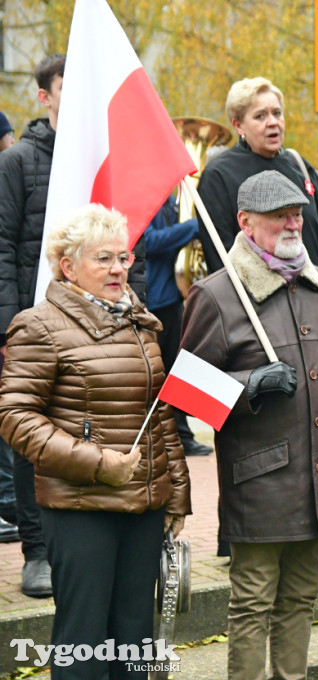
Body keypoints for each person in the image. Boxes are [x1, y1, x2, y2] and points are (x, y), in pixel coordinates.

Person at [180, 170, 318, 680]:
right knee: (253, 603)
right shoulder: (217, 294)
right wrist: (250, 386)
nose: (293, 224)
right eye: (279, 216)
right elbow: (186, 394)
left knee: (302, 599)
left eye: (298, 214)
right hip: (260, 484)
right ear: (245, 222)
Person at [0, 204, 191, 680]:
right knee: (83, 643)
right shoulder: (39, 325)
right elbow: (15, 417)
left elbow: (160, 412)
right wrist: (98, 463)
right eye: (103, 259)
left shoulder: (138, 320)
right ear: (68, 266)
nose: (117, 269)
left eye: (123, 258)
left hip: (143, 506)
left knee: (133, 641)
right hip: (80, 508)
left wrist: (176, 493)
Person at [0, 53, 154, 598]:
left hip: (104, 325)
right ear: (45, 95)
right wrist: (10, 326)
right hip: (37, 321)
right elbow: (3, 244)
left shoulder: (101, 155)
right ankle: (37, 549)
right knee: (36, 438)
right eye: (69, 84)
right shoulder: (18, 161)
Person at [196, 77, 318, 287]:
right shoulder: (218, 176)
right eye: (260, 116)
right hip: (261, 312)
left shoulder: (299, 165)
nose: (273, 121)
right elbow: (221, 259)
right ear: (238, 125)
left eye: (277, 113)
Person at [143, 196, 213, 456]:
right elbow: (148, 242)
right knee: (160, 371)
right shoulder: (143, 199)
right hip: (154, 300)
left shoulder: (169, 200)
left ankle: (183, 435)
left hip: (171, 297)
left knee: (178, 367)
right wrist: (192, 226)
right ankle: (169, 437)